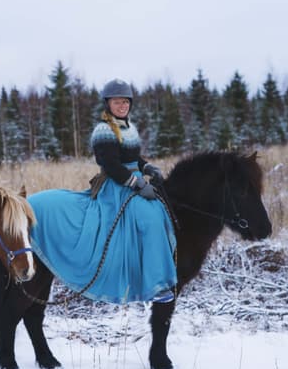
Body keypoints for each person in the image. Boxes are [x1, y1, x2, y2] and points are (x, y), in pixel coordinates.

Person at [26, 78, 177, 304]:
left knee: (161, 211)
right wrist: (136, 184)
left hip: (134, 179)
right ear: (108, 104)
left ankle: (162, 271)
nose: (122, 106)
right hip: (116, 186)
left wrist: (146, 167)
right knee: (149, 218)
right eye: (117, 102)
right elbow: (111, 165)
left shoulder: (129, 127)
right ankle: (155, 286)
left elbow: (133, 157)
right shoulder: (104, 130)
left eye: (126, 102)